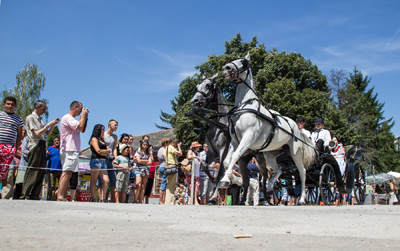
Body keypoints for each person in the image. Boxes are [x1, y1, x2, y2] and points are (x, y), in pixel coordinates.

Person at [22, 100, 59, 200]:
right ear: (36, 107)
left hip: (43, 144)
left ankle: (35, 193)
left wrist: (52, 125)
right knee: (33, 169)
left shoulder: (40, 119)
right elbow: (37, 133)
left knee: (40, 170)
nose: (44, 111)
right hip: (35, 144)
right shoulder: (31, 118)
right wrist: (48, 125)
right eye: (43, 109)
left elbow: (46, 134)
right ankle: (27, 193)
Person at [58, 101, 89, 201]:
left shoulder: (74, 120)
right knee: (66, 172)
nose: (81, 111)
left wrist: (85, 117)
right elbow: (79, 126)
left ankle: (61, 194)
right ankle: (60, 195)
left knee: (70, 173)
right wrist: (83, 115)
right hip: (68, 149)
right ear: (76, 108)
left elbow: (82, 129)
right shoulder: (67, 118)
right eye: (81, 109)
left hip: (73, 149)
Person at [0, 97, 24, 195]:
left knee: (9, 172)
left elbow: (19, 134)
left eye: (12, 104)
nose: (10, 106)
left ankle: (6, 197)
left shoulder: (18, 118)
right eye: (8, 104)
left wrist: (15, 147)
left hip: (9, 147)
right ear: (4, 104)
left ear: (15, 106)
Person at [89, 124, 110, 202]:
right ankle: (93, 198)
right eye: (102, 129)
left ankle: (103, 198)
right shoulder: (94, 138)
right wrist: (104, 152)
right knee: (94, 180)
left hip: (104, 161)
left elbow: (108, 151)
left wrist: (103, 152)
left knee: (106, 180)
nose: (104, 131)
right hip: (96, 160)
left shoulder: (102, 139)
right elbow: (97, 150)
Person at [163, 137, 182, 205]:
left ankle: (168, 201)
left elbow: (163, 154)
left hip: (167, 166)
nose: (176, 144)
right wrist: (179, 147)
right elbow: (180, 153)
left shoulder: (166, 148)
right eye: (176, 143)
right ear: (173, 142)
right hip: (172, 166)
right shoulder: (171, 148)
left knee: (169, 184)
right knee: (171, 185)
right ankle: (169, 202)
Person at [103, 119, 118, 202]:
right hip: (104, 159)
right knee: (104, 181)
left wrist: (115, 158)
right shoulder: (103, 135)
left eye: (117, 125)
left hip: (111, 159)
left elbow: (114, 148)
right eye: (115, 125)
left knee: (113, 181)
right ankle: (102, 198)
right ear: (110, 124)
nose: (116, 127)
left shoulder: (115, 137)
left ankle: (112, 199)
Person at [134, 139, 152, 203]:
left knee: (143, 186)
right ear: (141, 145)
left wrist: (143, 161)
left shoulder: (148, 153)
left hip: (145, 169)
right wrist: (146, 161)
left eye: (146, 145)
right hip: (138, 168)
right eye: (144, 145)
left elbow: (150, 162)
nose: (145, 146)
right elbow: (138, 161)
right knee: (138, 185)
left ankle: (141, 200)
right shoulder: (138, 152)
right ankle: (135, 200)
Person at [46, 135, 62, 200]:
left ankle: (58, 197)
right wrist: (47, 154)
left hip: (60, 170)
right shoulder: (50, 148)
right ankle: (50, 198)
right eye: (55, 141)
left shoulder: (62, 149)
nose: (57, 142)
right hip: (51, 170)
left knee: (61, 185)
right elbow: (45, 157)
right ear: (53, 142)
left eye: (58, 141)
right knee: (51, 185)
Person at [14, 128, 29, 199]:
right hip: (16, 163)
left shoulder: (27, 139)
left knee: (23, 181)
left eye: (25, 131)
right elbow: (15, 151)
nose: (23, 132)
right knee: (17, 181)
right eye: (22, 130)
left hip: (25, 163)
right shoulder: (16, 140)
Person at [157, 138, 169, 204]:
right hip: (164, 166)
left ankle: (163, 200)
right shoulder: (163, 150)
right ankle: (161, 200)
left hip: (161, 166)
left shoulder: (159, 149)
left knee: (164, 182)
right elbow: (165, 156)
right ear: (165, 143)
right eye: (168, 143)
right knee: (163, 184)